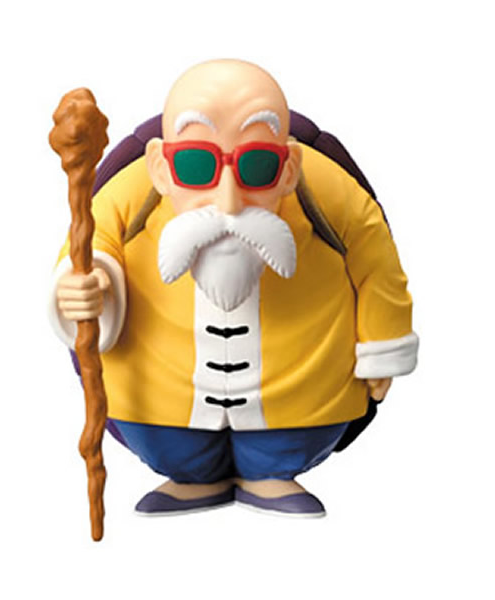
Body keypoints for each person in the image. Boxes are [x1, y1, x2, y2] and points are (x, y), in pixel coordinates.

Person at [49, 59, 418, 517]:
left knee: (287, 442)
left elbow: (375, 261)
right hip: (157, 398)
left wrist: (382, 344)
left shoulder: (326, 191)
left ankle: (273, 473)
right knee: (174, 446)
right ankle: (189, 475)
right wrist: (86, 283)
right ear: (161, 167)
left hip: (302, 395)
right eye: (196, 165)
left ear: (288, 167)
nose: (228, 200)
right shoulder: (131, 192)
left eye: (257, 167)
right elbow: (91, 245)